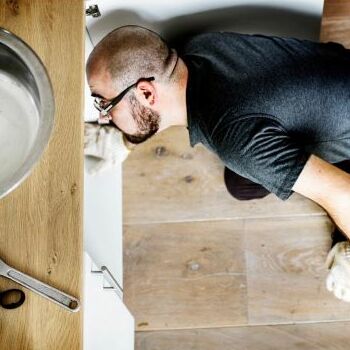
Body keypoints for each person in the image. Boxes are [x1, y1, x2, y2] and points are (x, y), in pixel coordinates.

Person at [85, 25, 350, 302]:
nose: (103, 117)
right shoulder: (199, 48)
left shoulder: (237, 139)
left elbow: (343, 194)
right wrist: (124, 140)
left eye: (104, 104)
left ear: (147, 94)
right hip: (336, 68)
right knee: (240, 184)